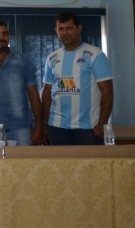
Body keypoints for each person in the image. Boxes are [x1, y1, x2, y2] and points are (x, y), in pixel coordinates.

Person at [42, 12, 113, 145]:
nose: (65, 33)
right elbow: (46, 92)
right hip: (57, 127)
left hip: (88, 128)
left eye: (69, 28)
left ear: (79, 29)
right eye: (61, 29)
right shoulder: (52, 58)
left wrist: (102, 123)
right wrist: (44, 124)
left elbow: (107, 91)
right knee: (60, 160)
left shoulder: (95, 55)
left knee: (90, 160)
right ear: (56, 31)